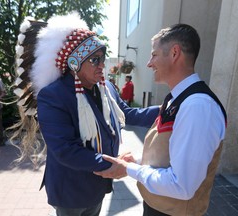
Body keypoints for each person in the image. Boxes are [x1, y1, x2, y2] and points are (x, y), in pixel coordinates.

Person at [12, 13, 159, 216]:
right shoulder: (53, 95)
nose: (102, 65)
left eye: (103, 58)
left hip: (98, 184)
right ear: (74, 63)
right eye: (95, 60)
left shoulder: (106, 87)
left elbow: (128, 114)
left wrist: (169, 108)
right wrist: (115, 165)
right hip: (70, 190)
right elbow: (65, 149)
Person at [94, 24, 227, 215]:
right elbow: (170, 156)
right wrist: (138, 160)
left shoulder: (197, 106)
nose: (149, 63)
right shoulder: (179, 99)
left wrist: (130, 168)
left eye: (154, 55)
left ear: (174, 53)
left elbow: (182, 186)